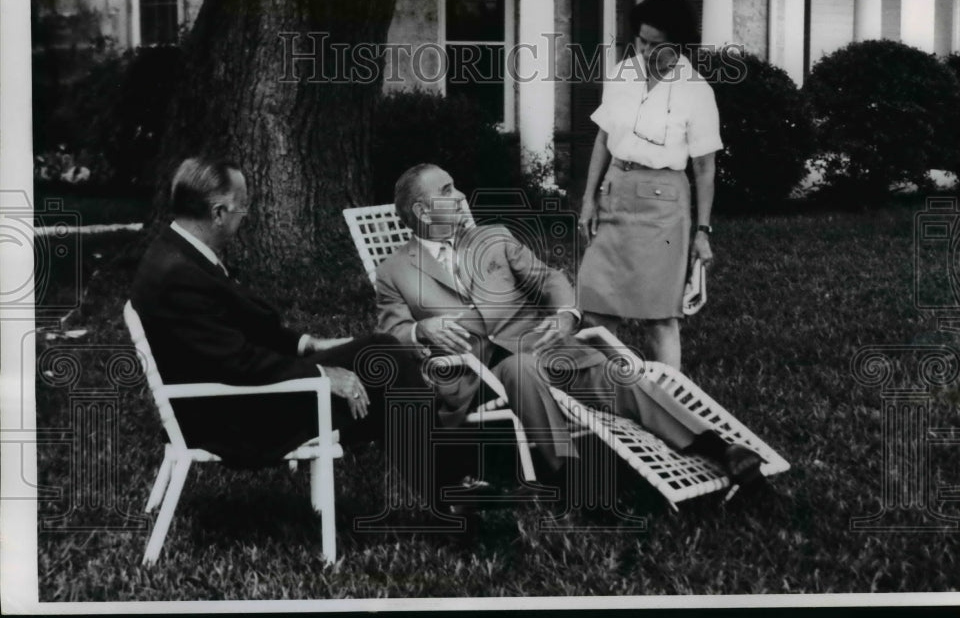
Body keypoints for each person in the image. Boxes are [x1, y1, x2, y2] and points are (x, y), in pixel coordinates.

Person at [375, 163, 763, 497]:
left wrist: (565, 315)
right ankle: (569, 475)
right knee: (520, 368)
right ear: (423, 211)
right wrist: (421, 329)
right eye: (447, 190)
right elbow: (389, 333)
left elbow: (550, 279)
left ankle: (718, 448)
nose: (460, 195)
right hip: (478, 375)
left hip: (545, 345)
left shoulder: (493, 238)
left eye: (455, 185)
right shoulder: (394, 270)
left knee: (615, 372)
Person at [130, 157, 430, 476]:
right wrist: (321, 374)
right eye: (242, 207)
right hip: (232, 418)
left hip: (227, 397)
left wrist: (306, 344)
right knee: (388, 361)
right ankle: (450, 482)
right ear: (218, 213)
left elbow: (234, 334)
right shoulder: (180, 274)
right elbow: (238, 363)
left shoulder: (176, 250)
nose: (245, 216)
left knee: (384, 357)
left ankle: (442, 476)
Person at [578, 0, 720, 372]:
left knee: (660, 317)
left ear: (679, 44)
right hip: (614, 194)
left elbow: (704, 168)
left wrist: (702, 231)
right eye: (641, 40)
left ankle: (668, 401)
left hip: (663, 207)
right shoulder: (623, 73)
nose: (645, 50)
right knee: (594, 308)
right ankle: (617, 389)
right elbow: (603, 138)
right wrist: (588, 200)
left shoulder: (697, 90)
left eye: (656, 44)